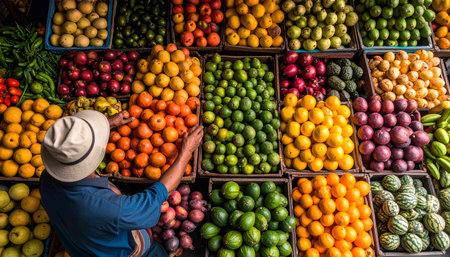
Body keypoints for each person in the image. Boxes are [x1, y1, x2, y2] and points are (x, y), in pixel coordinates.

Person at [39, 110, 203, 257]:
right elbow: (158, 194)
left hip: (82, 246)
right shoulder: (106, 207)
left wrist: (108, 124)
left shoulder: (47, 178)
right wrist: (185, 152)